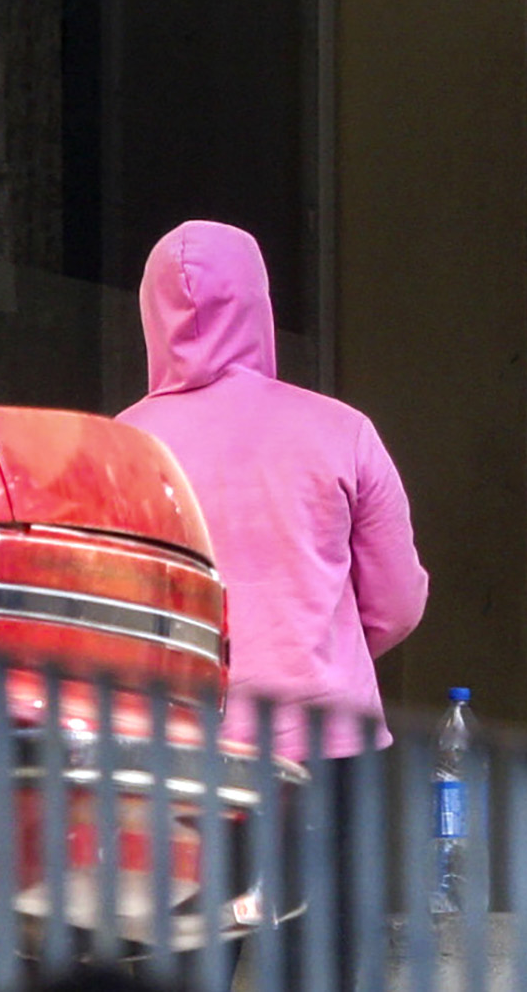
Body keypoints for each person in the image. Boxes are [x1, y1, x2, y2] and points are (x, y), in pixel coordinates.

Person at [118, 220, 429, 760]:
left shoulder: (117, 445)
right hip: (329, 742)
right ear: (257, 306)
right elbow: (398, 604)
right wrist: (326, 657)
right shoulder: (342, 430)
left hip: (171, 751)